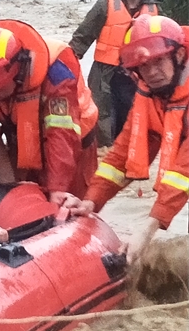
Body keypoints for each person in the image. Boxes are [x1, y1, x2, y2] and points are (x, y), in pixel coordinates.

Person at [74, 15, 189, 264]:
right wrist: (90, 201)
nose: (152, 72)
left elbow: (183, 173)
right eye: (144, 66)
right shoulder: (151, 93)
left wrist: (147, 230)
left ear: (179, 56)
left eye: (158, 61)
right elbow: (122, 156)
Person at [0, 19, 99, 206]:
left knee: (70, 205)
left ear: (18, 72)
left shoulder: (56, 74)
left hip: (75, 142)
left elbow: (62, 136)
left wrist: (58, 189)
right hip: (21, 135)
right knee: (23, 202)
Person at [69, 0, 161, 147]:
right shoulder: (105, 5)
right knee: (102, 131)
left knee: (135, 129)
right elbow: (81, 40)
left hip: (138, 78)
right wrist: (65, 72)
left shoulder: (155, 9)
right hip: (105, 77)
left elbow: (167, 47)